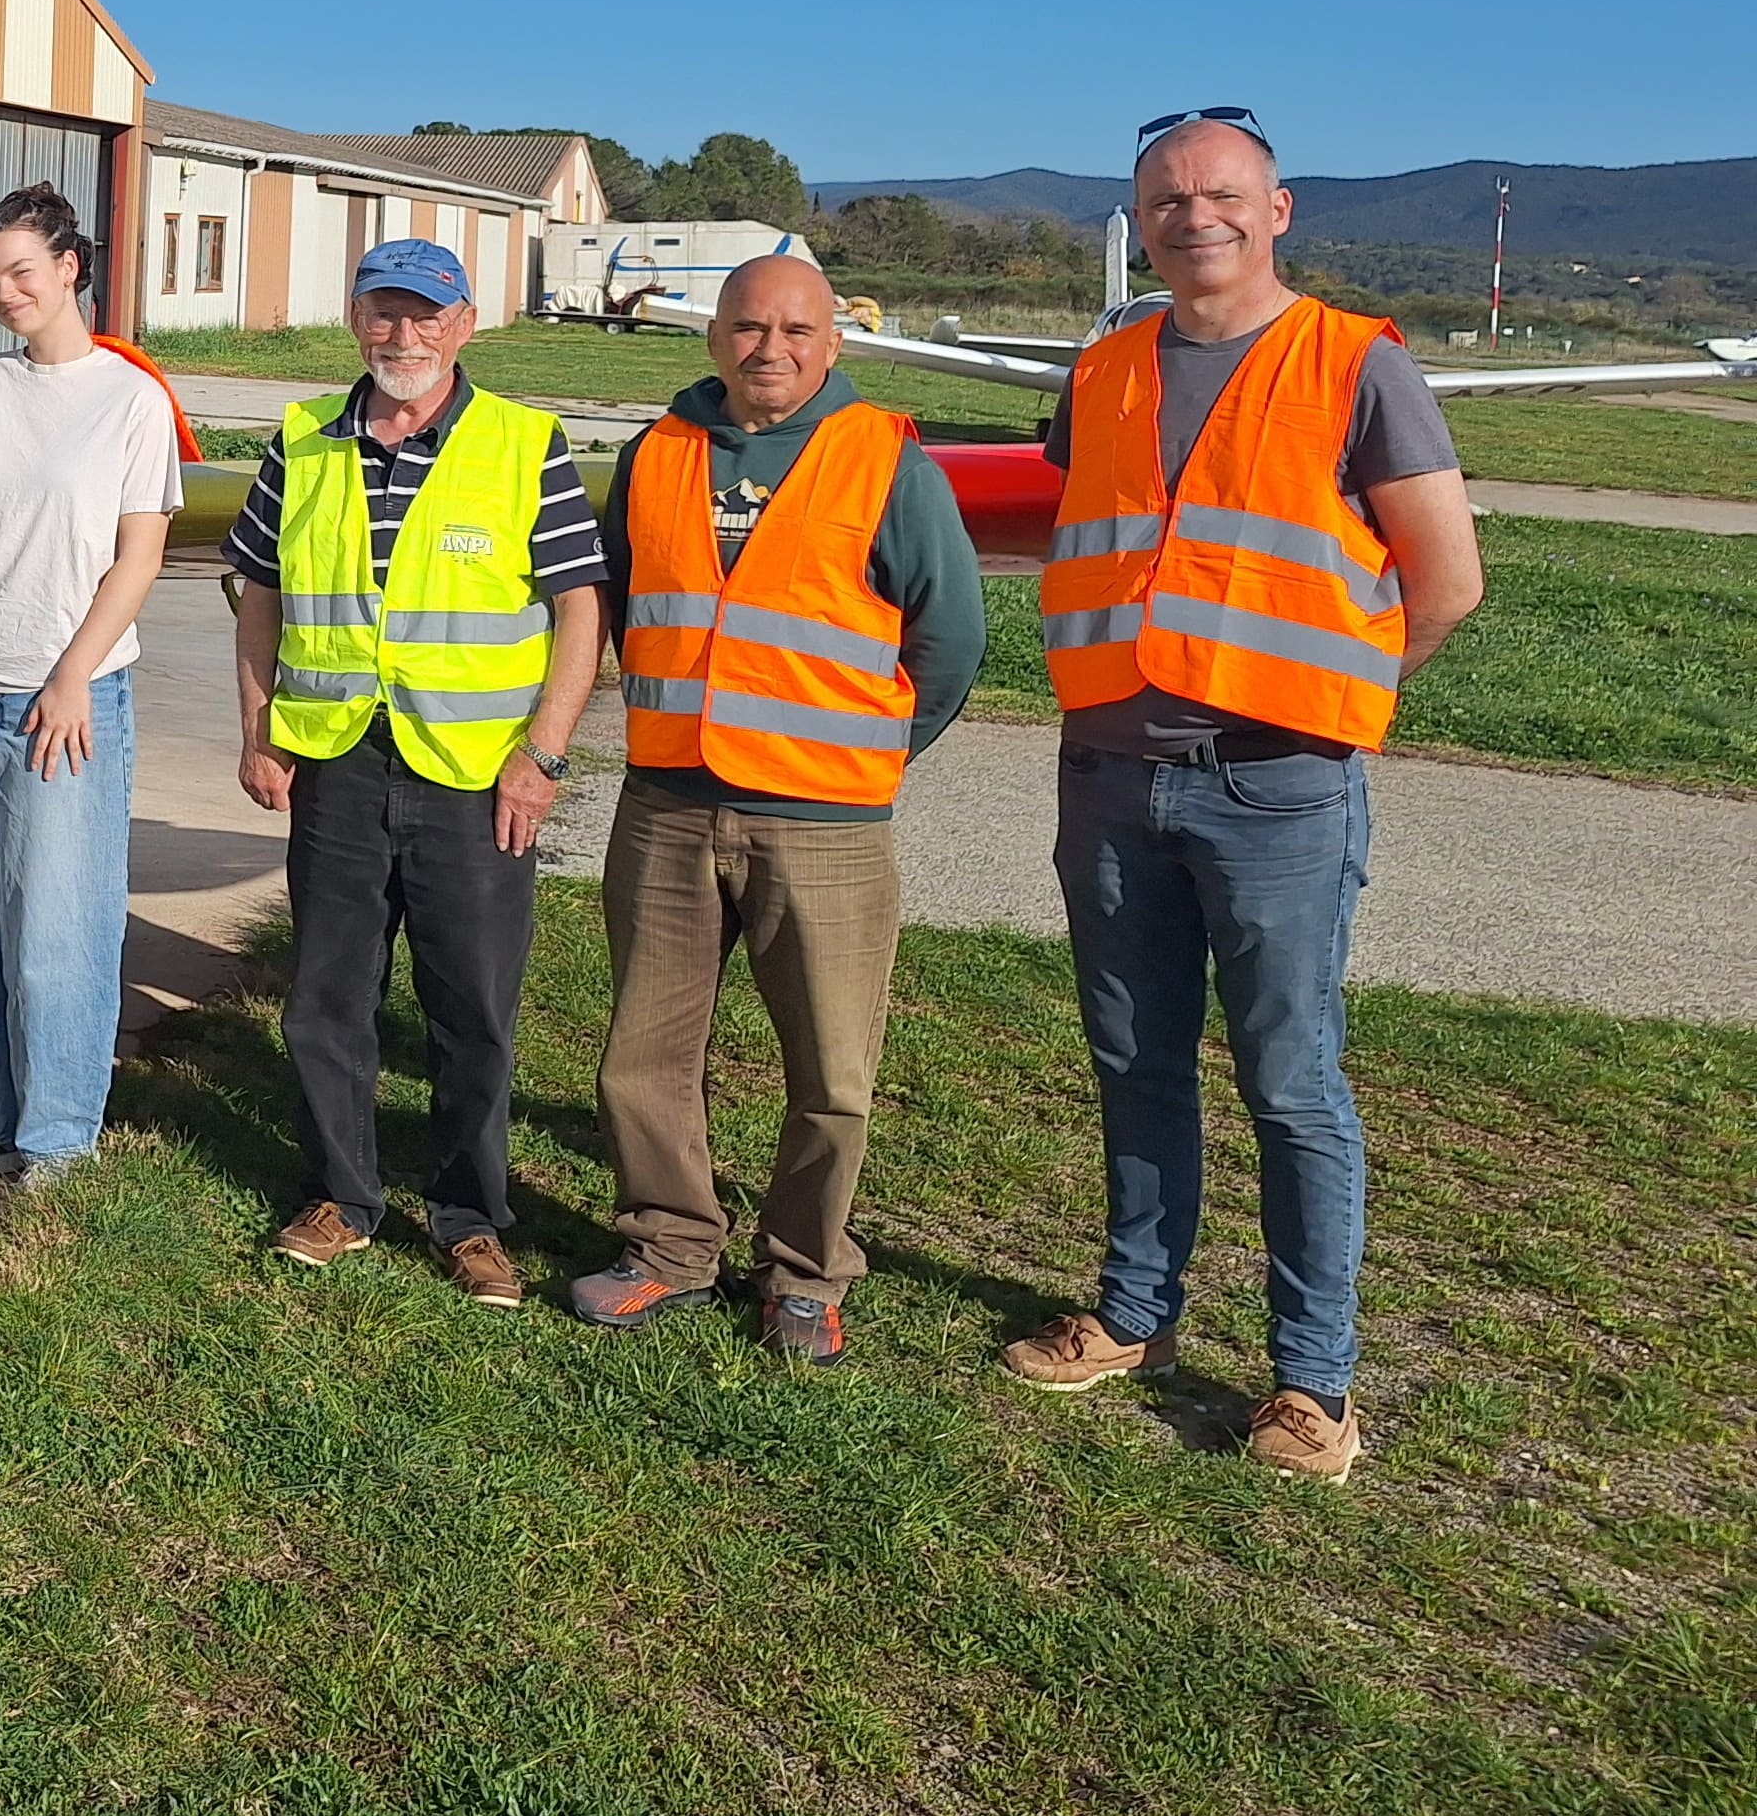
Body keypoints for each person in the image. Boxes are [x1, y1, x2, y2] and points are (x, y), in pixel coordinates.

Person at [1002, 111, 1483, 1482]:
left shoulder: (1357, 365)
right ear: (1138, 218)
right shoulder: (1104, 371)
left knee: (1290, 1081)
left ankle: (1311, 1384)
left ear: (1279, 211)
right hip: (1107, 773)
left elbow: (1443, 579)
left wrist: (1330, 700)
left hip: (1276, 787)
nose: (1192, 214)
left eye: (1221, 193)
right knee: (1133, 1060)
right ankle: (1135, 1314)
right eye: (1165, 197)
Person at [570, 253, 986, 1363]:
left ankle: (806, 1271)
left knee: (833, 1071)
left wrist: (871, 753)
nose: (772, 349)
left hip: (824, 818)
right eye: (750, 328)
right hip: (667, 801)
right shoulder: (656, 453)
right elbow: (618, 604)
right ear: (714, 337)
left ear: (833, 341)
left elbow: (949, 642)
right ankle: (667, 1245)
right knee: (643, 1054)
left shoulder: (889, 461)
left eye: (797, 331)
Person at [232, 239, 606, 1304]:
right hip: (338, 759)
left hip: (477, 773)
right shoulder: (303, 437)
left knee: (470, 1006)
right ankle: (344, 1199)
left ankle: (470, 1216)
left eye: (425, 316)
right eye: (383, 313)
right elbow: (257, 585)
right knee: (326, 996)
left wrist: (542, 753)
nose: (404, 335)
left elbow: (582, 606)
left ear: (464, 324)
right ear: (356, 319)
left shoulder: (524, 444)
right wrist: (259, 724)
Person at [0, 183, 183, 1190]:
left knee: (56, 928)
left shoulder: (131, 399)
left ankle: (58, 1136)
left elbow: (140, 555)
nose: (7, 293)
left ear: (71, 266)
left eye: (23, 272)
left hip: (66, 702)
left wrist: (71, 679)